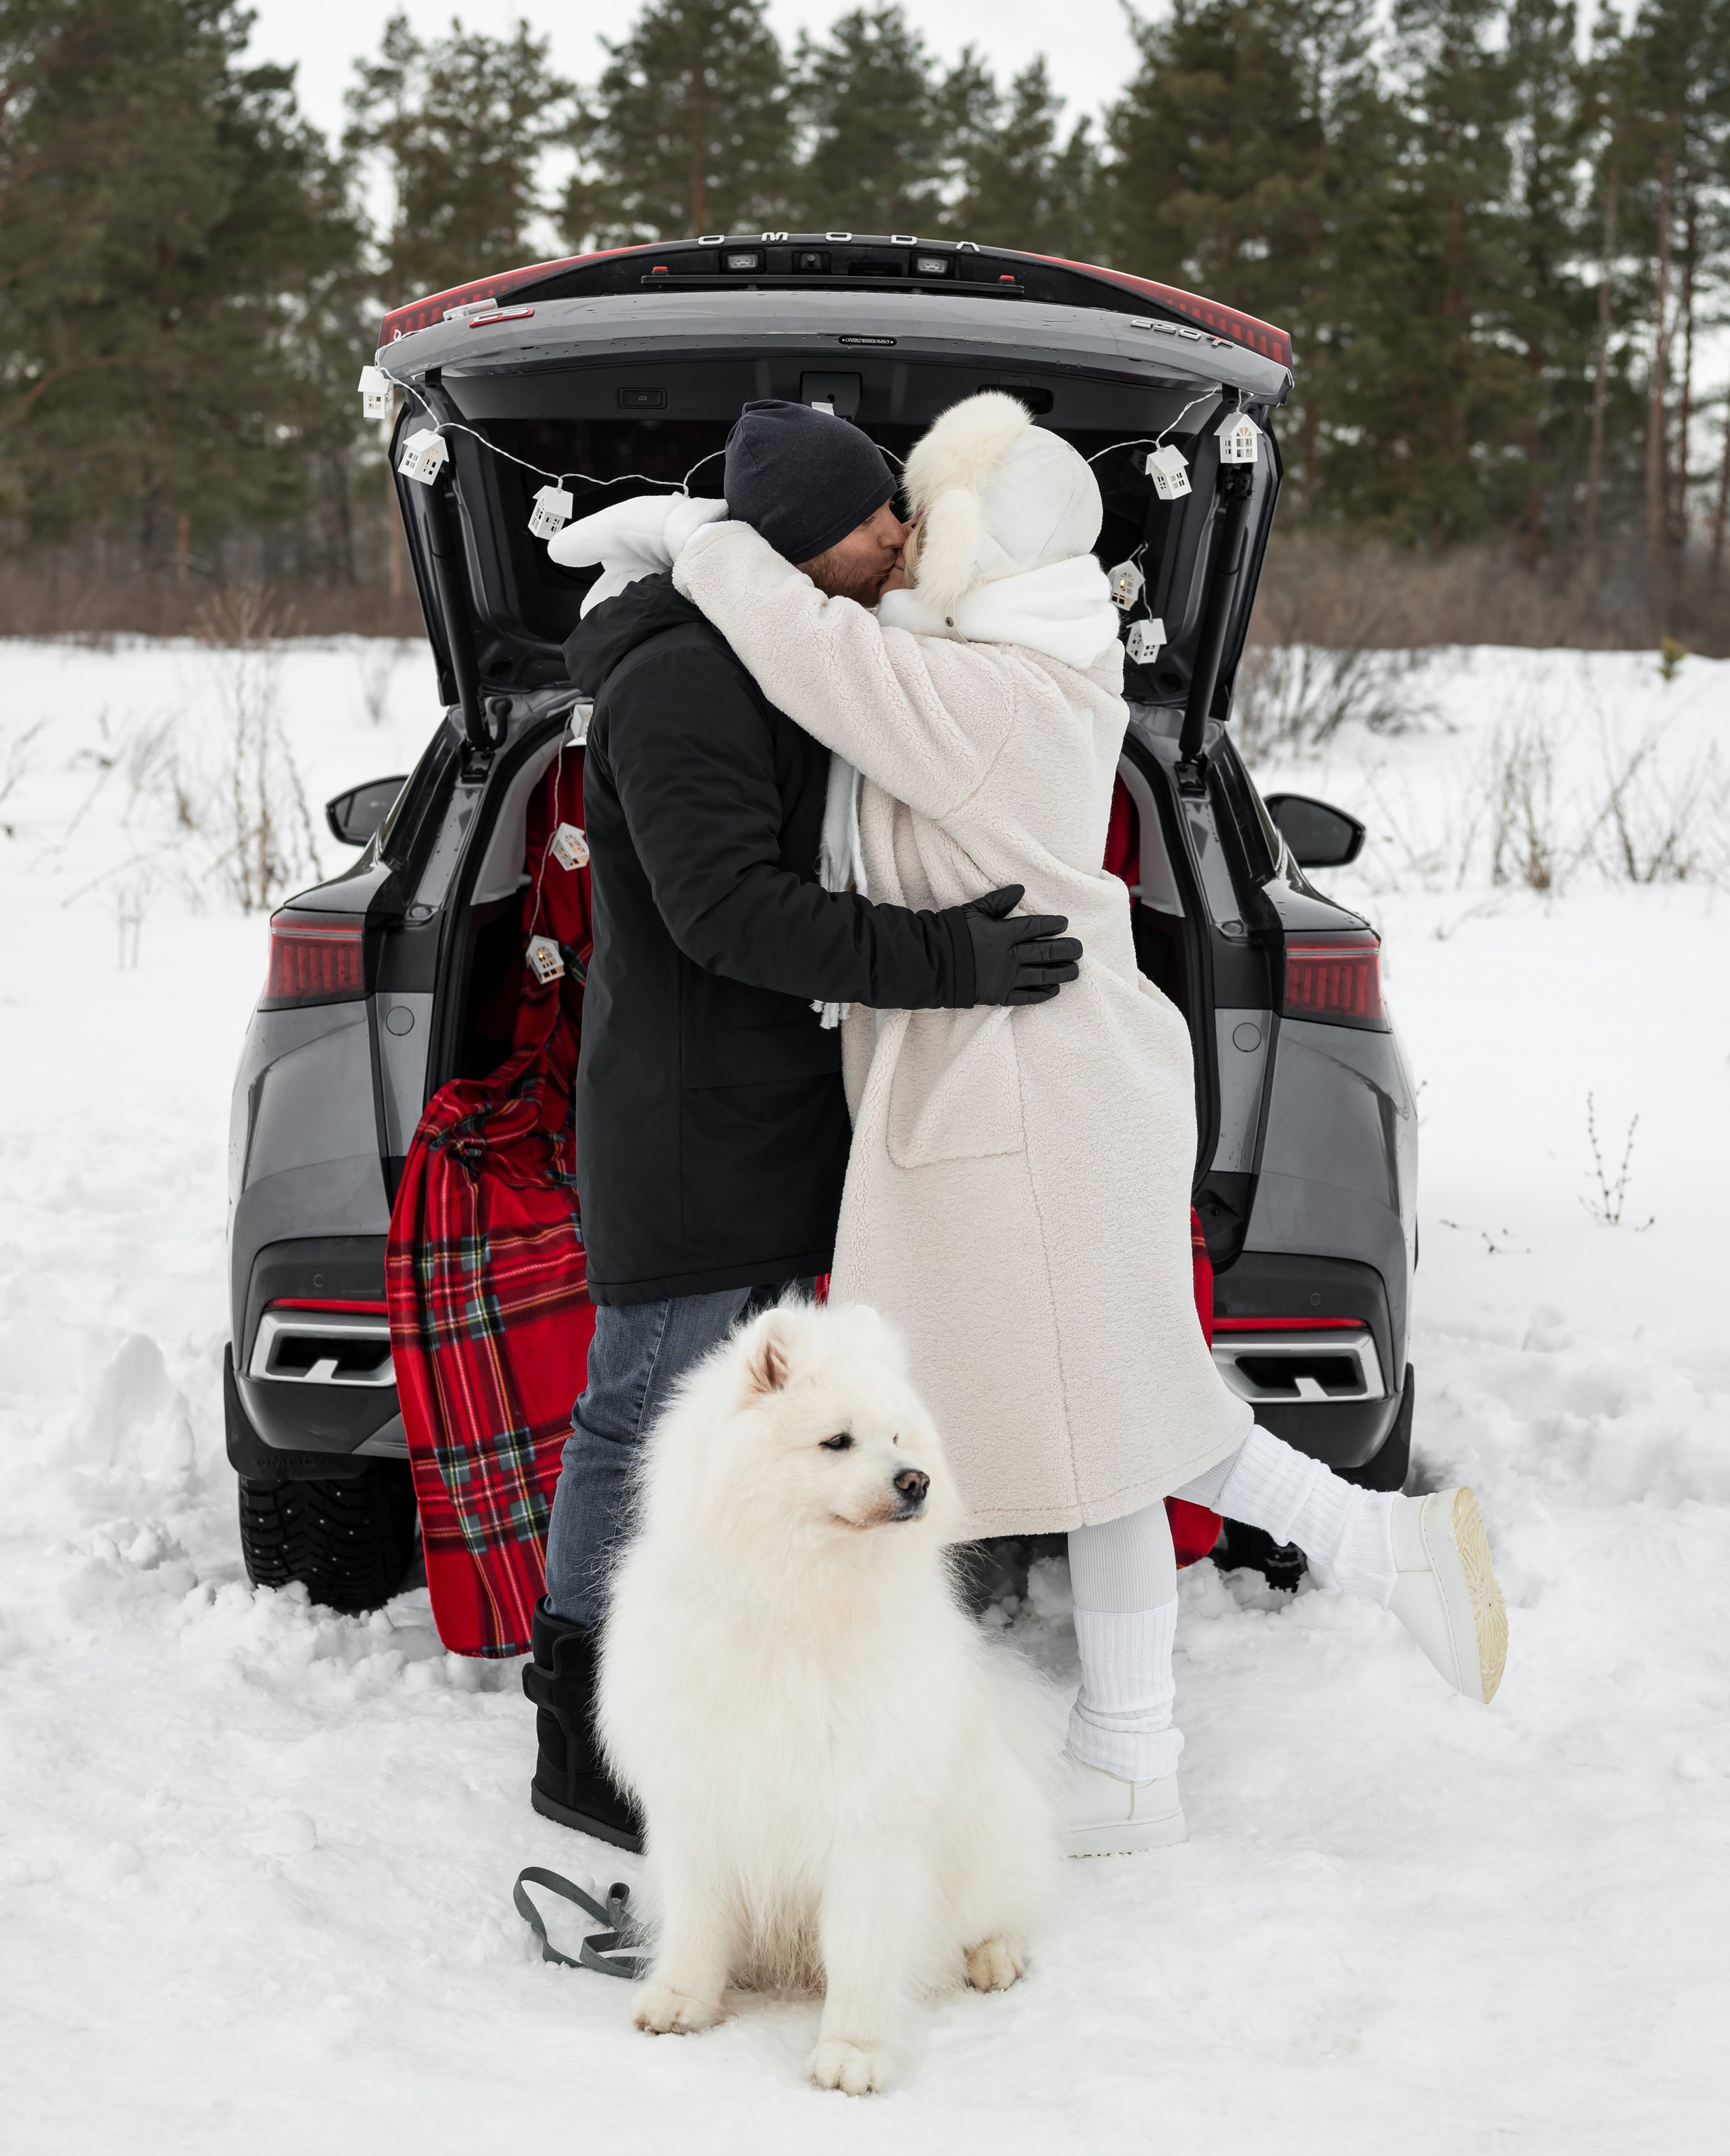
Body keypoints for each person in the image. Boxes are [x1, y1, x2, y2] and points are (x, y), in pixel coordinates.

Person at [659, 389, 1507, 1860]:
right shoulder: (1014, 664)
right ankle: (1138, 1753)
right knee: (1105, 1427)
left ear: (986, 550)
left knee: (1107, 1425)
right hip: (1044, 1093)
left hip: (1031, 1108)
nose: (909, 542)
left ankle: (1360, 1563)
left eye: (928, 519)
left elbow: (806, 646)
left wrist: (696, 536)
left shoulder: (995, 699)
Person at [525, 399, 1083, 1849]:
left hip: (765, 1126)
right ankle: (582, 1742)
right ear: (795, 539)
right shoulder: (681, 684)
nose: (902, 536)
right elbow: (726, 913)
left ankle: (699, 1712)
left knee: (735, 1438)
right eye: (877, 516)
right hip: (689, 1133)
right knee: (639, 1418)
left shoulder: (773, 661)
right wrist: (949, 958)